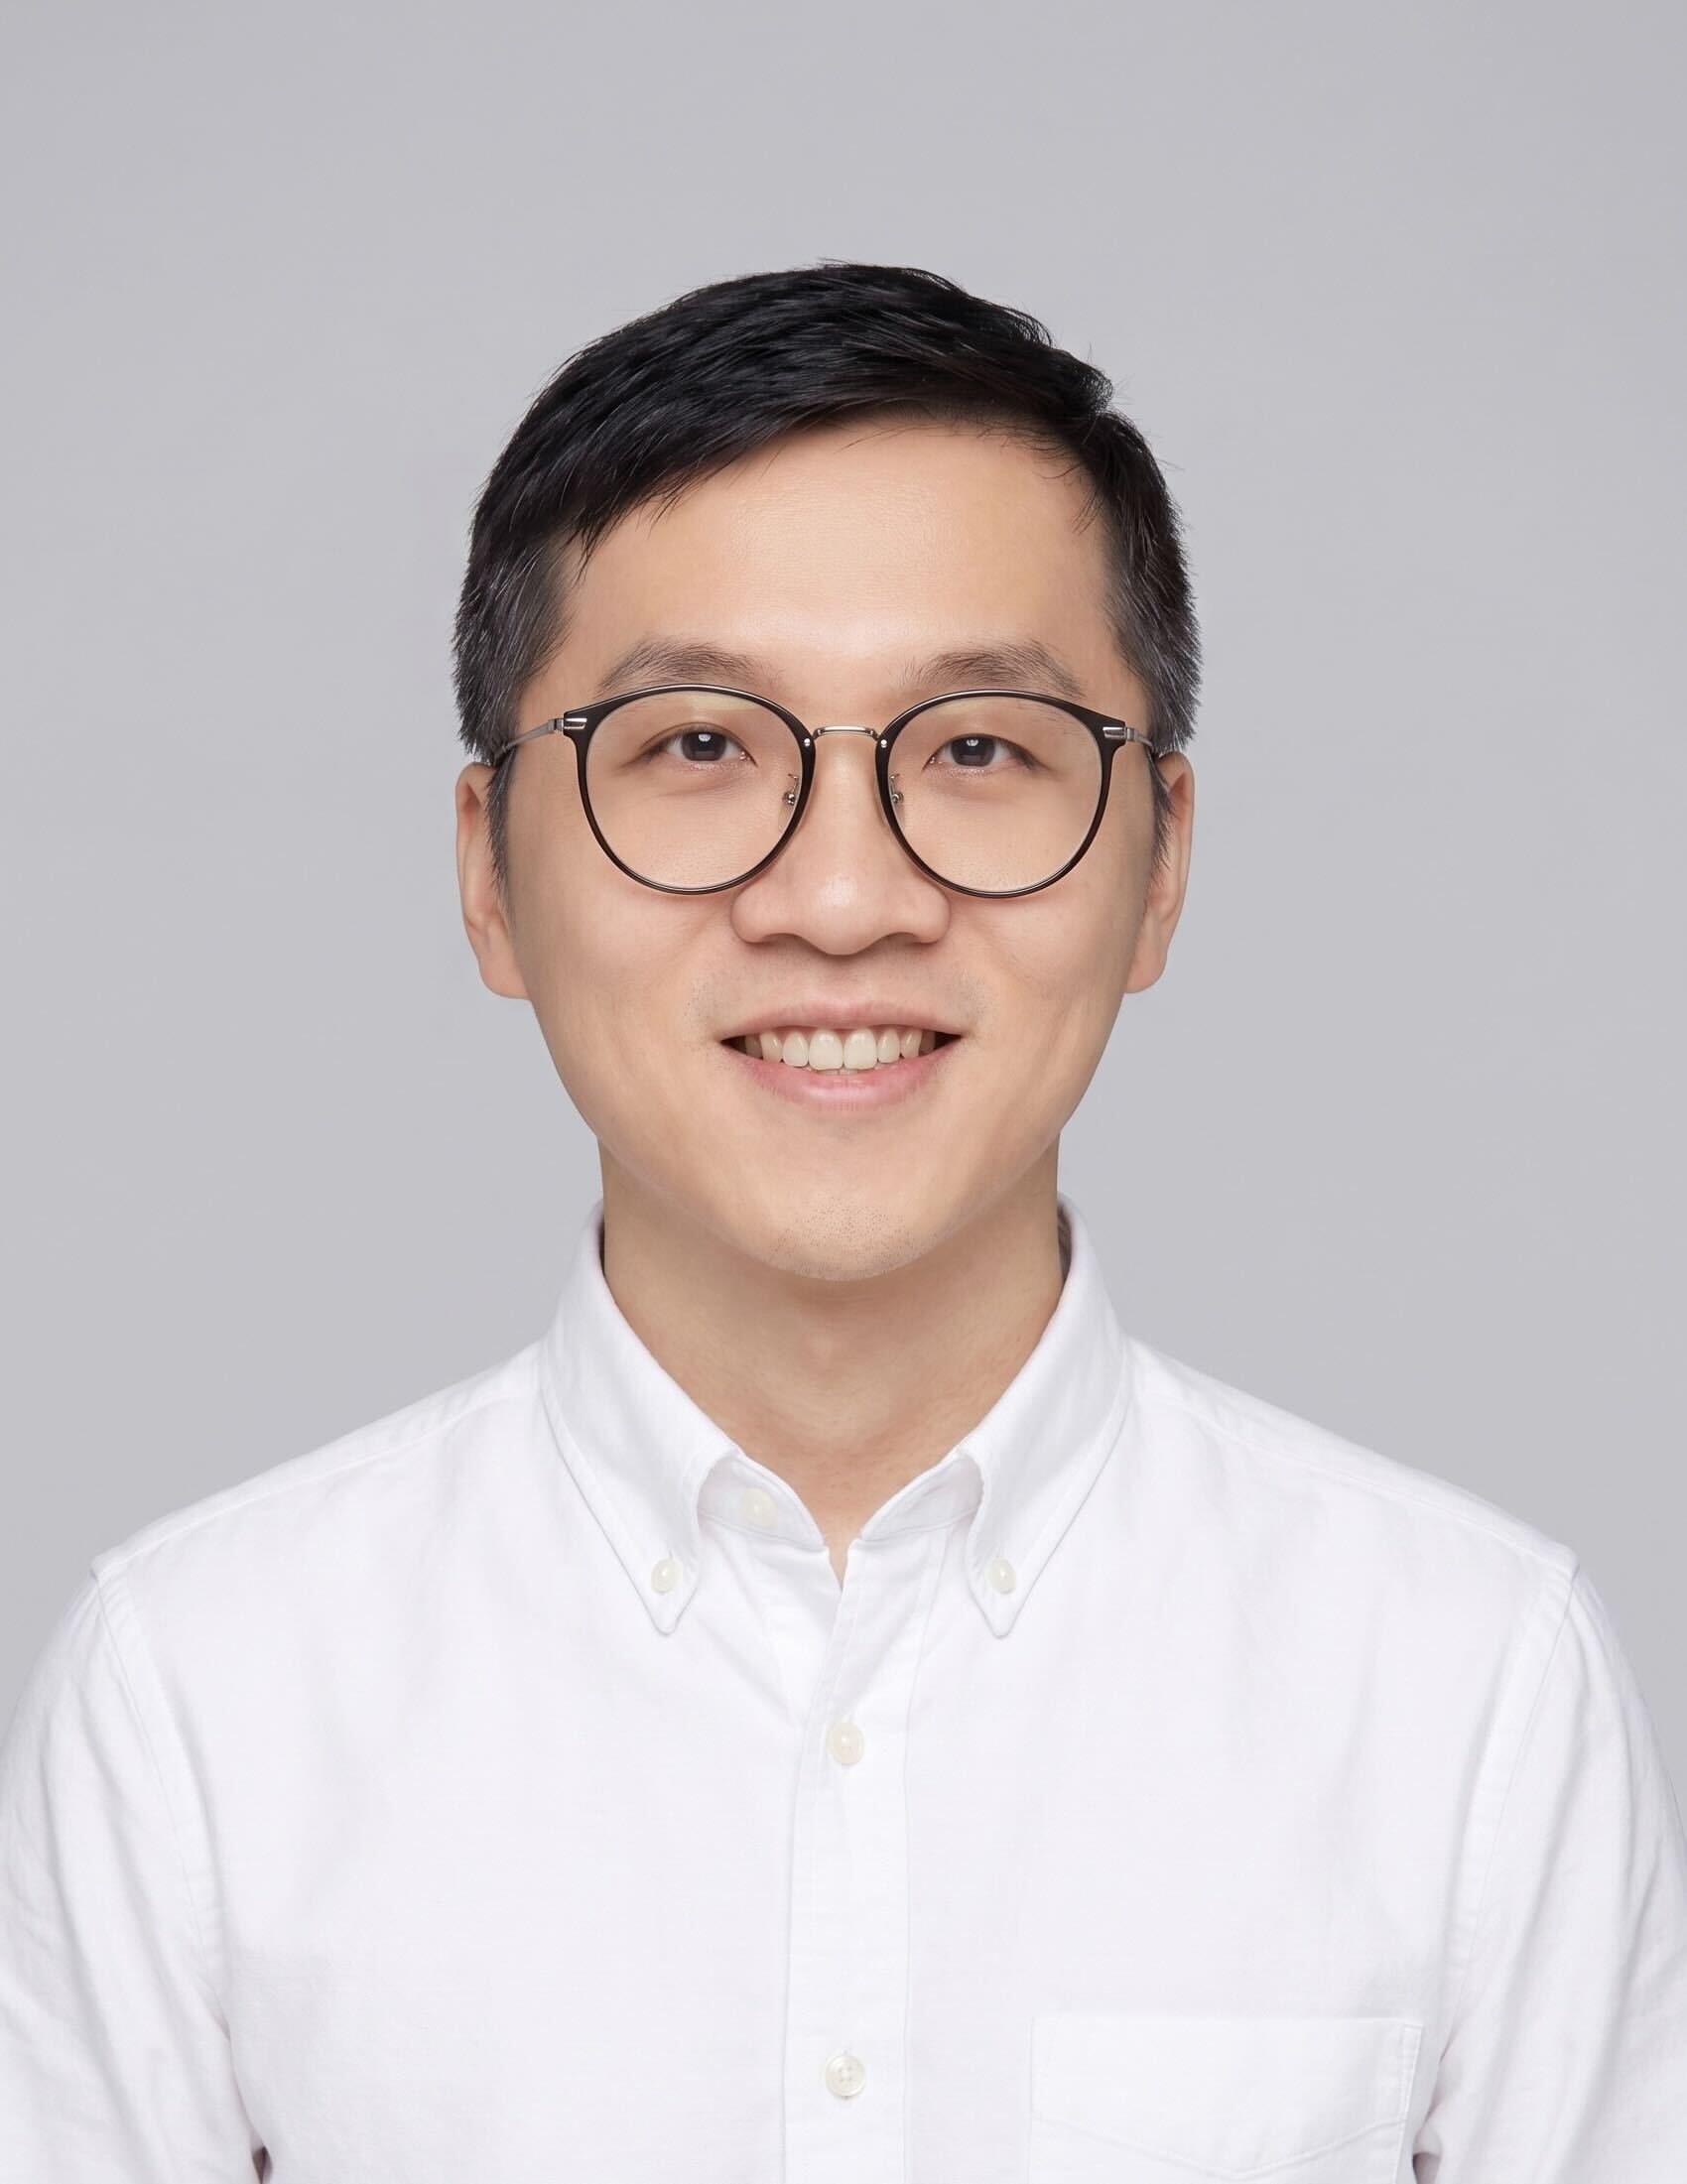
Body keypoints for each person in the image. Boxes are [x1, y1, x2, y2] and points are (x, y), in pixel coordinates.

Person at [2, 260, 1683, 2182]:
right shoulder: (203, 1694)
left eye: (975, 749)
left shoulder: (1462, 1681)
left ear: (1159, 871)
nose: (840, 896)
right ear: (489, 874)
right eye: (700, 746)